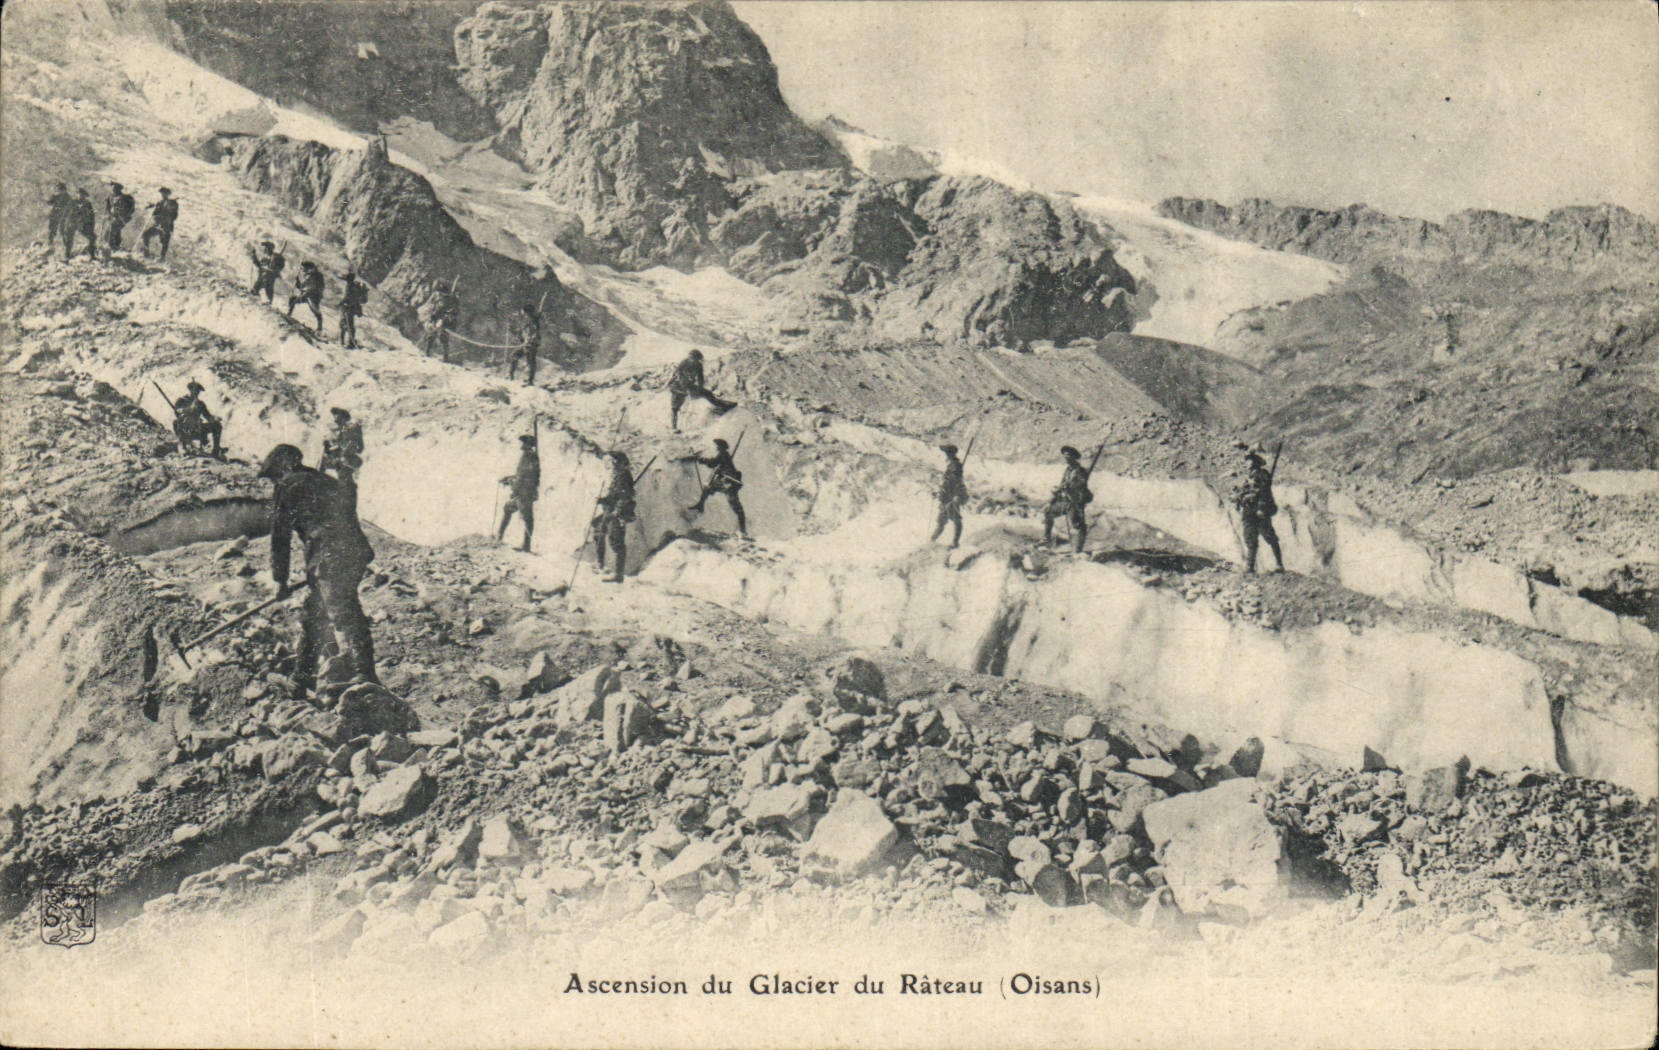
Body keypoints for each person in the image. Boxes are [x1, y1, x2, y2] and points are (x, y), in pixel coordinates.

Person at [258, 444, 378, 696]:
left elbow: (279, 535)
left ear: (283, 465)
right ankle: (301, 679)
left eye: (274, 475)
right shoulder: (325, 480)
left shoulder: (287, 486)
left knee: (341, 608)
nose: (274, 481)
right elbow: (349, 512)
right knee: (315, 614)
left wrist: (280, 579)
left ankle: (365, 675)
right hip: (352, 552)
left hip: (328, 555)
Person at [682, 437, 747, 538]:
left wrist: (698, 459)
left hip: (729, 483)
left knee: (735, 505)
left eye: (718, 446)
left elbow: (712, 462)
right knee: (707, 488)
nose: (717, 448)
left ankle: (743, 530)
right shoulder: (724, 455)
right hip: (724, 481)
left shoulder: (723, 455)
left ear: (721, 447)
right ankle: (700, 505)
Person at [1234, 447, 1284, 574]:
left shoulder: (1262, 475)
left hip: (1259, 511)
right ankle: (1250, 567)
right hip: (1248, 511)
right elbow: (1243, 493)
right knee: (1250, 539)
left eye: (1250, 461)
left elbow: (1264, 492)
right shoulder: (1247, 479)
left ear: (1256, 462)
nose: (1247, 463)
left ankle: (1279, 564)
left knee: (1270, 537)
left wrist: (1261, 508)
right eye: (1247, 461)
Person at [667, 349, 735, 431]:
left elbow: (700, 378)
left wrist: (699, 389)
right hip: (677, 387)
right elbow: (680, 377)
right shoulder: (683, 364)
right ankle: (674, 427)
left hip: (689, 386)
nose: (695, 361)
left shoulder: (698, 365)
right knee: (675, 408)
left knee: (707, 393)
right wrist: (687, 390)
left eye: (697, 360)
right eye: (694, 359)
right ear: (690, 358)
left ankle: (721, 406)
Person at [594, 450, 636, 584]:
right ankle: (599, 563)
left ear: (616, 461)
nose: (609, 464)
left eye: (611, 461)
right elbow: (614, 495)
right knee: (598, 529)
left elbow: (624, 497)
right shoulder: (617, 474)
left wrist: (617, 513)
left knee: (616, 541)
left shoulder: (623, 475)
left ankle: (618, 574)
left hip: (618, 513)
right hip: (610, 510)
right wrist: (604, 500)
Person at [1042, 445, 1092, 553]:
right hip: (1064, 502)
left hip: (1075, 503)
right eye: (1065, 456)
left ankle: (1077, 550)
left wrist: (1069, 486)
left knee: (1076, 525)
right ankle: (1047, 540)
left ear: (1074, 457)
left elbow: (1080, 485)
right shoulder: (1068, 470)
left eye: (1068, 456)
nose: (1066, 458)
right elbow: (1062, 486)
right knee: (1048, 511)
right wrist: (1054, 496)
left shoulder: (1080, 471)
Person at [496, 434, 540, 553]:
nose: (522, 446)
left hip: (524, 493)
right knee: (509, 509)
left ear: (528, 445)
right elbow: (521, 475)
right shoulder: (529, 456)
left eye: (524, 444)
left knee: (527, 518)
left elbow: (526, 477)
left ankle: (525, 546)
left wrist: (513, 483)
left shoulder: (529, 457)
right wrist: (509, 478)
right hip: (522, 492)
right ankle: (499, 537)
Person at [319, 407, 364, 507]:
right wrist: (330, 448)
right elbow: (342, 445)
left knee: (345, 483)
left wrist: (339, 455)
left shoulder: (348, 428)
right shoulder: (343, 429)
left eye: (336, 415)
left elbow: (350, 446)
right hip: (344, 460)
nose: (334, 419)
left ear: (342, 417)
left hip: (347, 461)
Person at [930, 443, 968, 548]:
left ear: (950, 454)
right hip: (947, 497)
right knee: (943, 520)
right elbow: (947, 482)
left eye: (946, 453)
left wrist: (954, 495)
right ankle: (932, 541)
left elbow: (954, 482)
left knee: (955, 519)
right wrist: (939, 492)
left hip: (950, 497)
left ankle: (954, 542)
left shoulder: (955, 466)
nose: (945, 455)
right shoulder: (952, 465)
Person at [172, 380, 223, 458]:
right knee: (176, 422)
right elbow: (177, 411)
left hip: (198, 428)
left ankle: (216, 450)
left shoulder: (200, 404)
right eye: (195, 391)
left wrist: (215, 418)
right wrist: (189, 409)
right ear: (190, 390)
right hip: (185, 428)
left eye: (198, 392)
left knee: (217, 425)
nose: (196, 394)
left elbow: (208, 416)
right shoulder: (181, 400)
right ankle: (183, 446)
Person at [419, 283, 458, 362]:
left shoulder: (451, 299)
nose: (441, 294)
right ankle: (427, 352)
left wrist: (445, 318)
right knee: (431, 336)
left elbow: (453, 312)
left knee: (443, 338)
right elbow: (434, 308)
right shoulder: (438, 298)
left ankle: (445, 357)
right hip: (436, 319)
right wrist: (432, 317)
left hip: (445, 321)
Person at [140, 188, 179, 260]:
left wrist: (168, 213)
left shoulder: (173, 203)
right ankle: (146, 253)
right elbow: (155, 212)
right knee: (145, 234)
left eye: (165, 193)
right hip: (157, 224)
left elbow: (174, 215)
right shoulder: (159, 203)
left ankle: (162, 257)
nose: (163, 195)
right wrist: (151, 208)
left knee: (164, 241)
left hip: (166, 225)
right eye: (162, 193)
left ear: (168, 194)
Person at [287, 261, 325, 334]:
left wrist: (306, 290)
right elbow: (302, 285)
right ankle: (289, 314)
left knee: (315, 310)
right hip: (307, 294)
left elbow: (316, 287)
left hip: (313, 296)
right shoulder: (308, 275)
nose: (302, 270)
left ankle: (320, 328)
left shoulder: (317, 276)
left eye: (303, 268)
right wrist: (298, 281)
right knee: (292, 299)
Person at [507, 304, 541, 385]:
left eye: (523, 311)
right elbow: (521, 332)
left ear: (527, 312)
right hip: (526, 344)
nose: (522, 313)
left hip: (531, 344)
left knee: (530, 362)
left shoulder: (533, 321)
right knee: (514, 356)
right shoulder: (527, 320)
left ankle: (530, 380)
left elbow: (534, 333)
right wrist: (512, 330)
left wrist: (530, 341)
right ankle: (510, 376)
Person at [103, 181, 135, 257]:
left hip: (120, 218)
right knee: (113, 231)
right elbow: (109, 207)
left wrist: (121, 216)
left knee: (112, 230)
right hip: (113, 217)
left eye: (114, 188)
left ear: (118, 189)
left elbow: (122, 209)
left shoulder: (122, 198)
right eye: (112, 188)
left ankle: (112, 247)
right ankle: (116, 247)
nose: (113, 189)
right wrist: (108, 212)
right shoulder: (111, 197)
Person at [338, 270, 367, 348]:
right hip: (353, 308)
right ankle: (349, 341)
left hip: (348, 308)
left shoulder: (349, 286)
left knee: (345, 324)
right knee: (349, 325)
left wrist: (340, 303)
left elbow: (347, 297)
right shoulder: (354, 286)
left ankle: (346, 342)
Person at [66, 189, 97, 260]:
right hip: (73, 223)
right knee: (69, 238)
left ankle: (92, 256)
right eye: (79, 194)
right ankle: (67, 254)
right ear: (77, 194)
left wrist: (91, 226)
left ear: (85, 196)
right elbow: (67, 214)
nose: (80, 196)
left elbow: (91, 216)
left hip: (83, 224)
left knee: (92, 237)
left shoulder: (88, 204)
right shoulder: (72, 202)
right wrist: (69, 223)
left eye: (82, 195)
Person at [46, 182, 72, 248]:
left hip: (63, 216)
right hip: (55, 215)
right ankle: (50, 243)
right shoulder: (56, 196)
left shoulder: (68, 197)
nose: (59, 191)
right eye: (58, 190)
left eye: (60, 189)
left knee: (63, 231)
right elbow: (49, 202)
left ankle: (66, 245)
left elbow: (71, 207)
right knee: (52, 230)